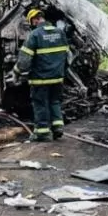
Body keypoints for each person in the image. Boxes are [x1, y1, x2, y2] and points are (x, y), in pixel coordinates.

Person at [14, 9, 68, 141]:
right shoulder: (60, 33)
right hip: (57, 77)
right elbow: (68, 56)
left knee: (40, 104)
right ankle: (57, 128)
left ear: (34, 20)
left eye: (31, 22)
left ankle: (42, 132)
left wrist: (17, 71)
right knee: (55, 101)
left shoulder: (34, 35)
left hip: (40, 79)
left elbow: (24, 60)